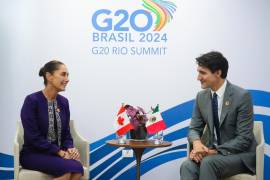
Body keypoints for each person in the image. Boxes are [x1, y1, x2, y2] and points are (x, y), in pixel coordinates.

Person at [180, 51, 257, 180]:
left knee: (209, 163)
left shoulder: (242, 96)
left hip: (239, 155)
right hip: (211, 154)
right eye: (198, 72)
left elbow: (244, 139)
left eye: (203, 73)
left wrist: (213, 151)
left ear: (218, 73)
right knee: (187, 165)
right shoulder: (201, 97)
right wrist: (197, 144)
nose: (198, 77)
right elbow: (194, 128)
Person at [20, 60, 83, 180]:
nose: (67, 79)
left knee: (78, 169)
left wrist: (70, 147)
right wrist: (59, 152)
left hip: (57, 154)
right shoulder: (32, 101)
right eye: (63, 74)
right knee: (67, 171)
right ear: (49, 76)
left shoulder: (64, 102)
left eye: (68, 75)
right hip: (33, 154)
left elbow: (67, 133)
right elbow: (33, 137)